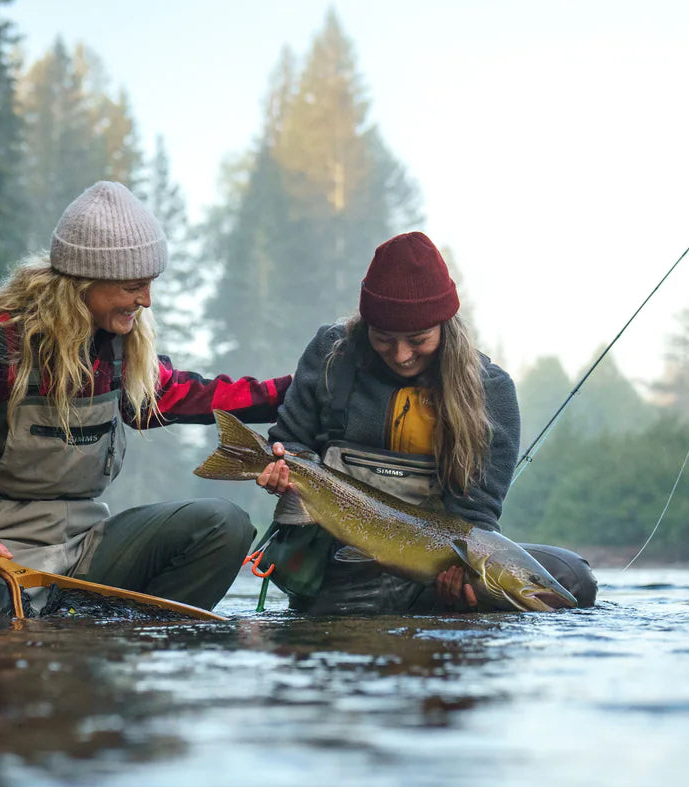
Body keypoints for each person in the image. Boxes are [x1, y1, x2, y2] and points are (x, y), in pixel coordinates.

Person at [0, 181, 291, 616]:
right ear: (83, 283)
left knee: (225, 524)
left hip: (90, 545)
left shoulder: (119, 352)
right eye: (132, 287)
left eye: (149, 284)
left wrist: (293, 392)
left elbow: (190, 394)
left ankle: (135, 641)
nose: (146, 300)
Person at [255, 231, 596, 614]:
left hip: (429, 575)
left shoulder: (491, 391)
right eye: (384, 339)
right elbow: (289, 444)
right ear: (366, 326)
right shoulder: (332, 354)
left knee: (573, 581)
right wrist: (280, 468)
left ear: (445, 327)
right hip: (332, 569)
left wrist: (464, 585)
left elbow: (475, 519)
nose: (400, 355)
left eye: (418, 339)